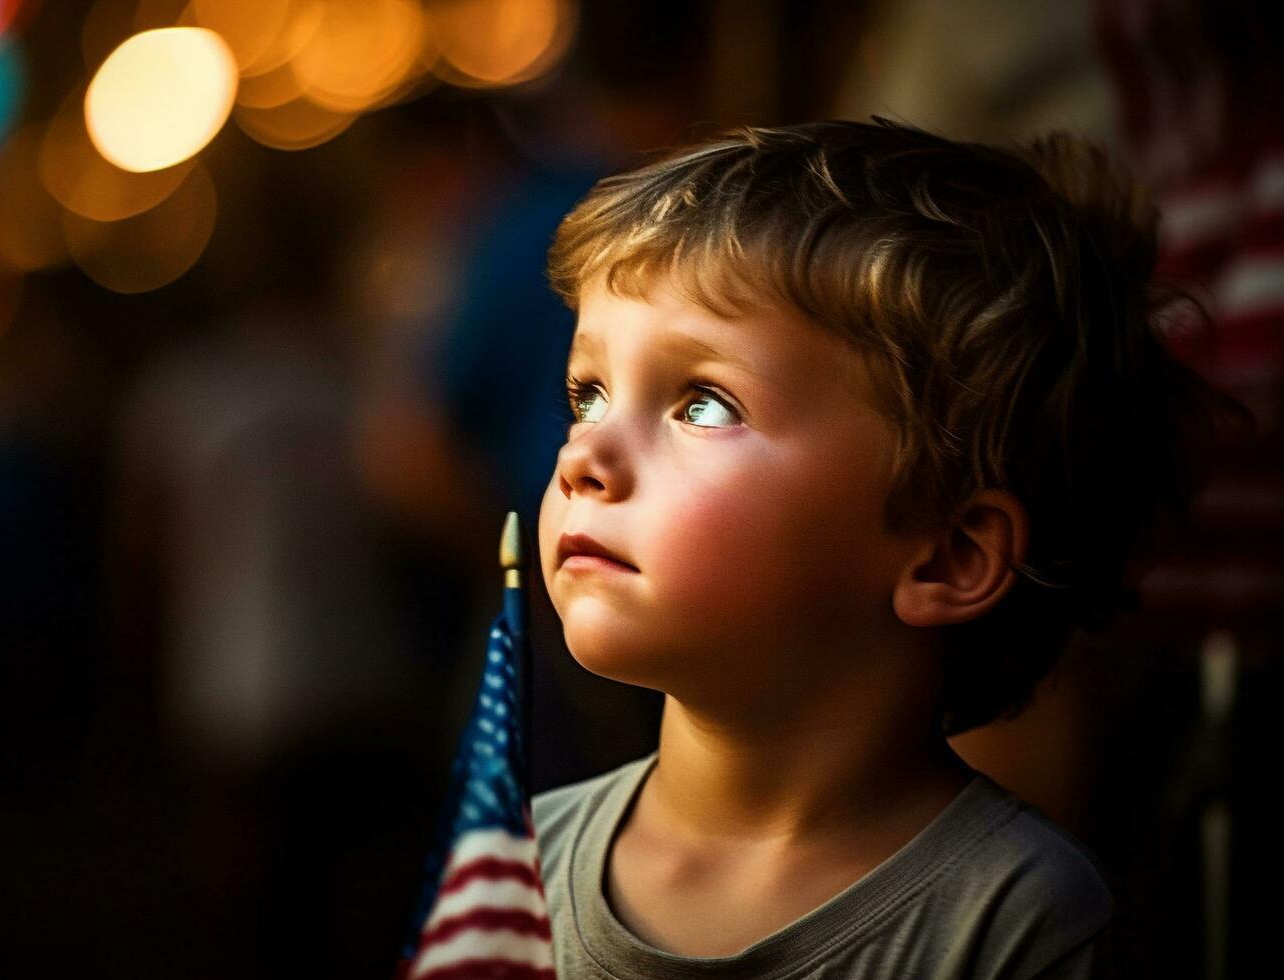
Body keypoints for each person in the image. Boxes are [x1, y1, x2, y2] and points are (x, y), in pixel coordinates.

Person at [529, 118, 1244, 978]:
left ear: (946, 557)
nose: (583, 459)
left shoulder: (1015, 920)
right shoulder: (512, 868)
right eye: (588, 394)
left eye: (704, 404)